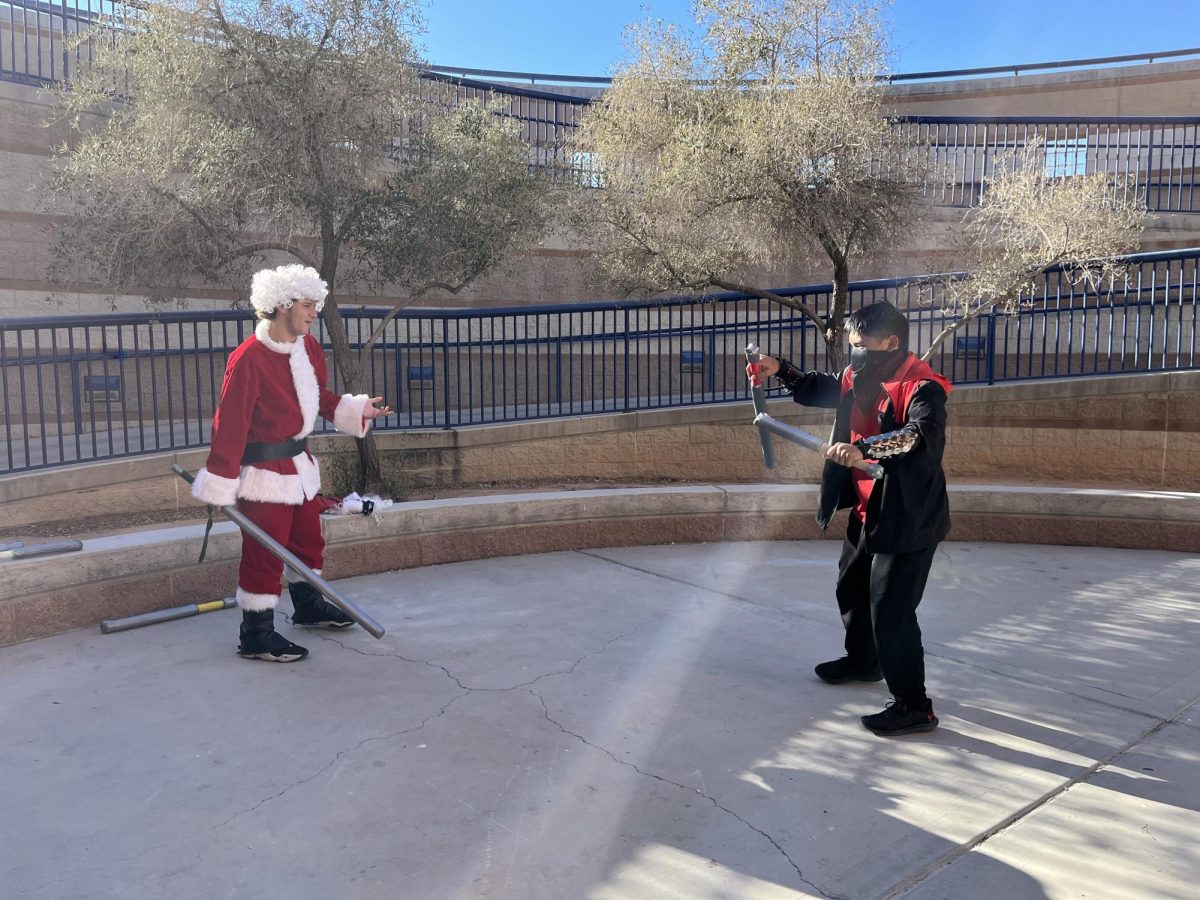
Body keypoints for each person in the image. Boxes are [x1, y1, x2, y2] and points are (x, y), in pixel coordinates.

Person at [748, 301, 951, 736]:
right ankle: (864, 662)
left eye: (861, 344)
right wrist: (779, 369)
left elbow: (919, 434)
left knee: (891, 609)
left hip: (907, 515)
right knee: (852, 588)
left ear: (891, 343)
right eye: (851, 344)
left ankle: (915, 706)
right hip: (867, 506)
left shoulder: (922, 387)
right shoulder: (860, 377)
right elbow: (818, 388)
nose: (854, 351)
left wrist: (867, 449)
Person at [191, 264, 391, 662]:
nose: (314, 311)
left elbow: (318, 397)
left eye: (316, 303)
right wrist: (220, 484)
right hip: (264, 475)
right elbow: (229, 426)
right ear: (282, 305)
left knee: (306, 543)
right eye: (307, 304)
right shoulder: (247, 359)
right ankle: (256, 634)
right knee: (265, 552)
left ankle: (308, 606)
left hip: (300, 467)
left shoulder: (309, 348)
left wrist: (355, 408)